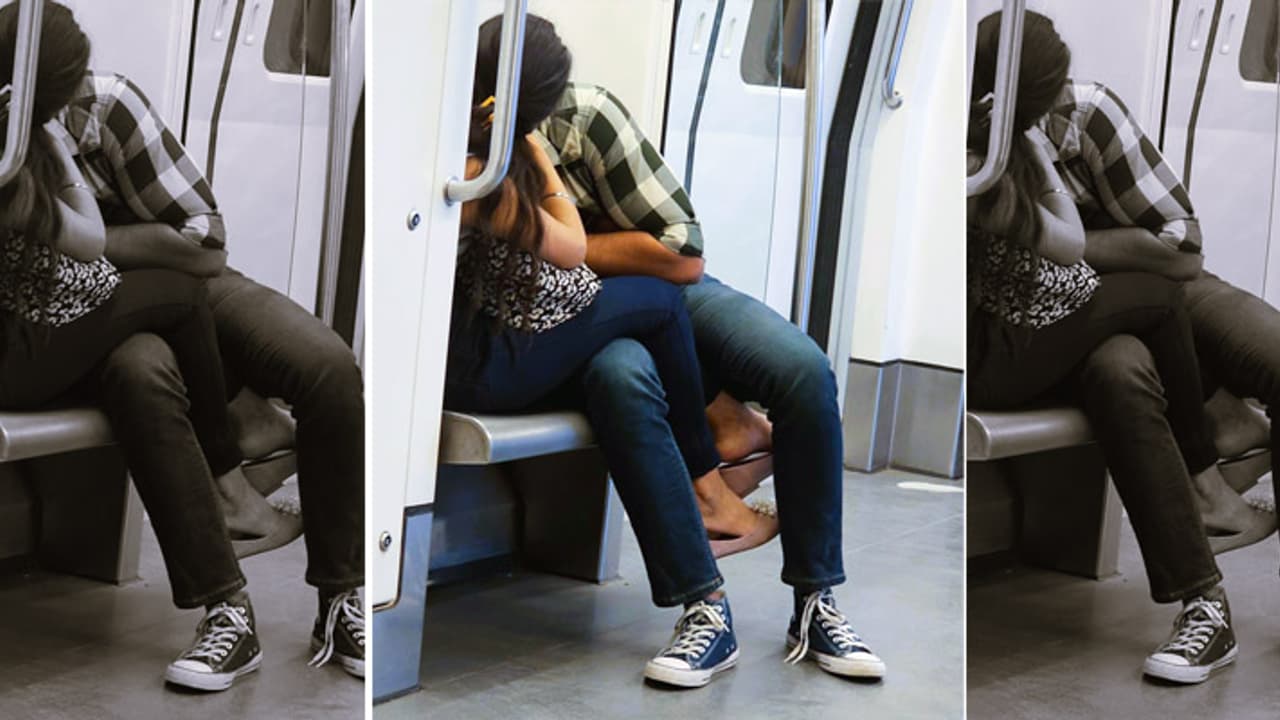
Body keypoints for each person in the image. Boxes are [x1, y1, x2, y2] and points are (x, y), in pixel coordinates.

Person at [473, 13, 886, 685]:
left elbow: (682, 251)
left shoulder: (585, 120)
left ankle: (817, 600)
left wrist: (583, 260)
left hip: (647, 287)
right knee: (622, 379)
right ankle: (707, 611)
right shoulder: (464, 148)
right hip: (568, 324)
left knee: (804, 370)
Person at [10, 2, 364, 691]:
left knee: (327, 366)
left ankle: (342, 594)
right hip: (97, 316)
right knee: (142, 373)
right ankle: (226, 611)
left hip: (185, 285)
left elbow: (204, 245)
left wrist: (99, 240)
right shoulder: (8, 141)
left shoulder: (106, 107)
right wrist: (112, 252)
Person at [968, 11, 1246, 684]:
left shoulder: (1005, 145)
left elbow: (1067, 242)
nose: (1066, 101)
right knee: (1159, 296)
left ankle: (1204, 607)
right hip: (990, 354)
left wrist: (1024, 140)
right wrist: (1021, 144)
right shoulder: (974, 160)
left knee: (1122, 369)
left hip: (1036, 335)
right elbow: (1066, 242)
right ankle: (1208, 475)